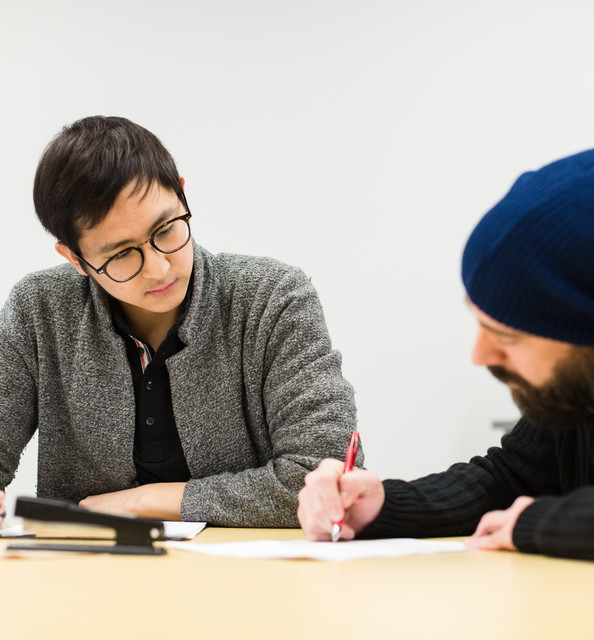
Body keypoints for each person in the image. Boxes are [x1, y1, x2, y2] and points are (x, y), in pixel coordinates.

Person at [0, 115, 359, 528]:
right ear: (75, 260)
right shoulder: (39, 311)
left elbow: (325, 478)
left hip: (252, 578)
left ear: (183, 195)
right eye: (121, 255)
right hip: (87, 576)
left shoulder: (272, 298)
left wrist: (144, 502)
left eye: (166, 229)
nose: (158, 268)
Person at [298, 138, 594, 564]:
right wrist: (384, 507)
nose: (480, 354)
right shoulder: (589, 384)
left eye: (509, 335)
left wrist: (542, 523)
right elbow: (511, 476)